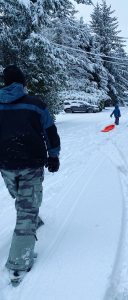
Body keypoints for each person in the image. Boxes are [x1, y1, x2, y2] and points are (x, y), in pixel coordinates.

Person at [0, 65, 61, 278]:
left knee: (22, 199)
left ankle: (32, 215)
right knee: (26, 209)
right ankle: (18, 262)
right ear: (23, 83)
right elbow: (50, 130)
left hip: (5, 165)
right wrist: (53, 155)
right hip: (30, 164)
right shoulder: (35, 104)